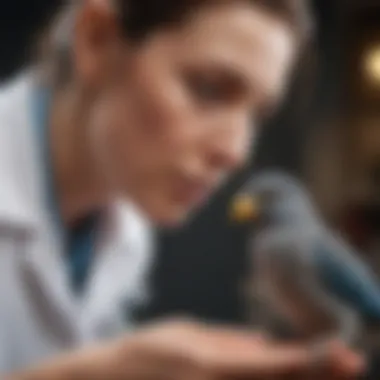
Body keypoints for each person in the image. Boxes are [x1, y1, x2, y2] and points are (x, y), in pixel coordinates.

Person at [0, 0, 364, 378]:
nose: (236, 153)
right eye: (208, 89)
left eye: (256, 115)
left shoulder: (126, 226)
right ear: (97, 41)